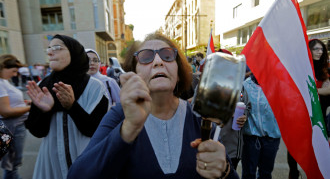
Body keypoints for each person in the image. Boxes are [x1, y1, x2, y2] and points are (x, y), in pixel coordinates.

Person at [68, 32, 239, 179]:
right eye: (146, 57)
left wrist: (224, 171)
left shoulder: (202, 117)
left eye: (167, 55)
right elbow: (78, 175)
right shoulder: (121, 115)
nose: (158, 61)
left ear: (178, 73)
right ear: (134, 74)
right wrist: (128, 129)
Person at [25, 34, 109, 179]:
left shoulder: (94, 87)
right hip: (52, 164)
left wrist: (72, 107)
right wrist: (45, 111)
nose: (50, 52)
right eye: (49, 48)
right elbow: (37, 132)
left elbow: (97, 130)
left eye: (57, 48)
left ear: (74, 52)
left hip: (85, 161)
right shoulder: (42, 86)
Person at [287, 39, 330, 179]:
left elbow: (328, 91)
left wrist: (310, 91)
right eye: (316, 49)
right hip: (300, 114)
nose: (320, 52)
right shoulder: (301, 68)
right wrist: (318, 90)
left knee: (316, 150)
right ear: (308, 51)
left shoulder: (326, 69)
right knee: (294, 146)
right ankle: (293, 172)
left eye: (322, 49)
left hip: (319, 116)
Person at [241, 74, 281, 179]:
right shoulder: (245, 85)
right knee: (248, 173)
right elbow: (240, 105)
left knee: (265, 173)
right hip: (250, 138)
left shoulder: (279, 85)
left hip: (272, 138)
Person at [0, 54, 31, 179]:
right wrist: (31, 108)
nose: (14, 75)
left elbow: (9, 102)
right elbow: (5, 111)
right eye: (13, 71)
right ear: (3, 67)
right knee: (12, 165)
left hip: (13, 126)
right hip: (12, 127)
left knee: (12, 164)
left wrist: (24, 103)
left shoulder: (3, 81)